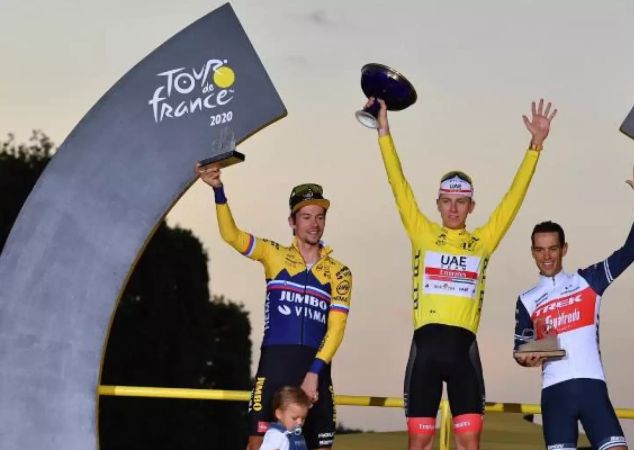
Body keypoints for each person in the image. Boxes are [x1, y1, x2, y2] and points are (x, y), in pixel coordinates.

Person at [366, 97, 557, 450]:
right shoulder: (421, 232)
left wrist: (535, 147)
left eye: (461, 202)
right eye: (447, 201)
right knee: (418, 445)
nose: (453, 208)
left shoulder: (482, 241)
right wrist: (384, 131)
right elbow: (398, 183)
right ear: (438, 203)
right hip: (424, 352)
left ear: (471, 206)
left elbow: (513, 200)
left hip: (463, 353)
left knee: (470, 444)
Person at [195, 164, 353, 450]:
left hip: (315, 370)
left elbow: (337, 328)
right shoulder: (274, 254)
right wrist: (219, 191)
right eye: (306, 217)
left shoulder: (339, 272)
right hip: (275, 366)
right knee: (256, 444)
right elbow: (232, 236)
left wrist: (314, 372)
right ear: (292, 221)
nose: (314, 224)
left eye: (319, 217)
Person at [513, 163, 634, 450]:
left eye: (553, 248)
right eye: (540, 250)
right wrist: (525, 359)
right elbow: (520, 349)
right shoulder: (526, 299)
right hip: (555, 393)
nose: (547, 256)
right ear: (532, 253)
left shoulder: (588, 280)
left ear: (564, 248)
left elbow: (631, 250)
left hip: (592, 388)